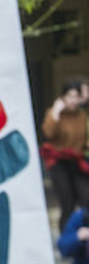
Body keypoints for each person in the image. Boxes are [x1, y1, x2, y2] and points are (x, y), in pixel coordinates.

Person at [41, 79, 89, 233]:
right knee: (67, 201)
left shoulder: (82, 115)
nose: (73, 100)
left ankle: (83, 235)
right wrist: (56, 112)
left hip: (77, 160)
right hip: (59, 162)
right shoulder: (54, 113)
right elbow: (48, 133)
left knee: (85, 197)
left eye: (76, 96)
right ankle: (66, 238)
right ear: (63, 97)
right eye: (70, 96)